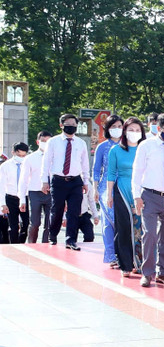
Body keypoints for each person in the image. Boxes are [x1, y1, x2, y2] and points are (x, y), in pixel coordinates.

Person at [132, 112, 164, 288]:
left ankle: (163, 272)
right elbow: (137, 171)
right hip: (150, 195)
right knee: (149, 234)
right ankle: (147, 273)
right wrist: (136, 195)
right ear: (158, 128)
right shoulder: (146, 146)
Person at [41, 114, 91, 250]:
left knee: (74, 211)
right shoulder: (53, 142)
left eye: (74, 125)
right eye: (68, 124)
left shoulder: (81, 143)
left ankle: (71, 240)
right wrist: (44, 181)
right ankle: (53, 235)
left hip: (75, 181)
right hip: (58, 181)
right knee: (56, 210)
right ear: (61, 125)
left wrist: (86, 181)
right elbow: (46, 162)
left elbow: (85, 163)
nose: (72, 127)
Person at [106, 118, 144, 278]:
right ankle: (125, 264)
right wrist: (109, 195)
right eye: (131, 130)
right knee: (123, 228)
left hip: (142, 191)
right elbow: (110, 173)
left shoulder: (145, 149)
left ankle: (141, 264)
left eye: (137, 130)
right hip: (122, 190)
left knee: (141, 229)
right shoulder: (115, 150)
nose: (134, 133)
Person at [94, 114, 123, 267]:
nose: (117, 130)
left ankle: (124, 254)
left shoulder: (128, 146)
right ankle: (111, 255)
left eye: (119, 126)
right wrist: (95, 189)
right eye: (113, 127)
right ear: (107, 129)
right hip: (106, 187)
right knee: (109, 222)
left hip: (124, 186)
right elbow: (96, 169)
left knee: (124, 221)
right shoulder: (102, 147)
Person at [18, 131, 53, 244]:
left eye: (48, 141)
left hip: (51, 193)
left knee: (50, 223)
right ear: (38, 142)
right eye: (43, 141)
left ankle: (47, 246)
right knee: (35, 223)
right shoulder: (30, 158)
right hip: (35, 193)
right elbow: (23, 180)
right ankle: (32, 245)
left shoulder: (56, 157)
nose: (45, 143)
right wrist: (22, 199)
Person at [0, 142, 29, 243]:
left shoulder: (27, 165)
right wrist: (3, 204)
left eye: (24, 155)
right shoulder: (5, 166)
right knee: (13, 226)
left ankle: (21, 242)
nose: (21, 157)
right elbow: (2, 186)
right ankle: (14, 245)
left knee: (26, 224)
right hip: (11, 198)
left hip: (24, 198)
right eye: (19, 155)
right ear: (13, 152)